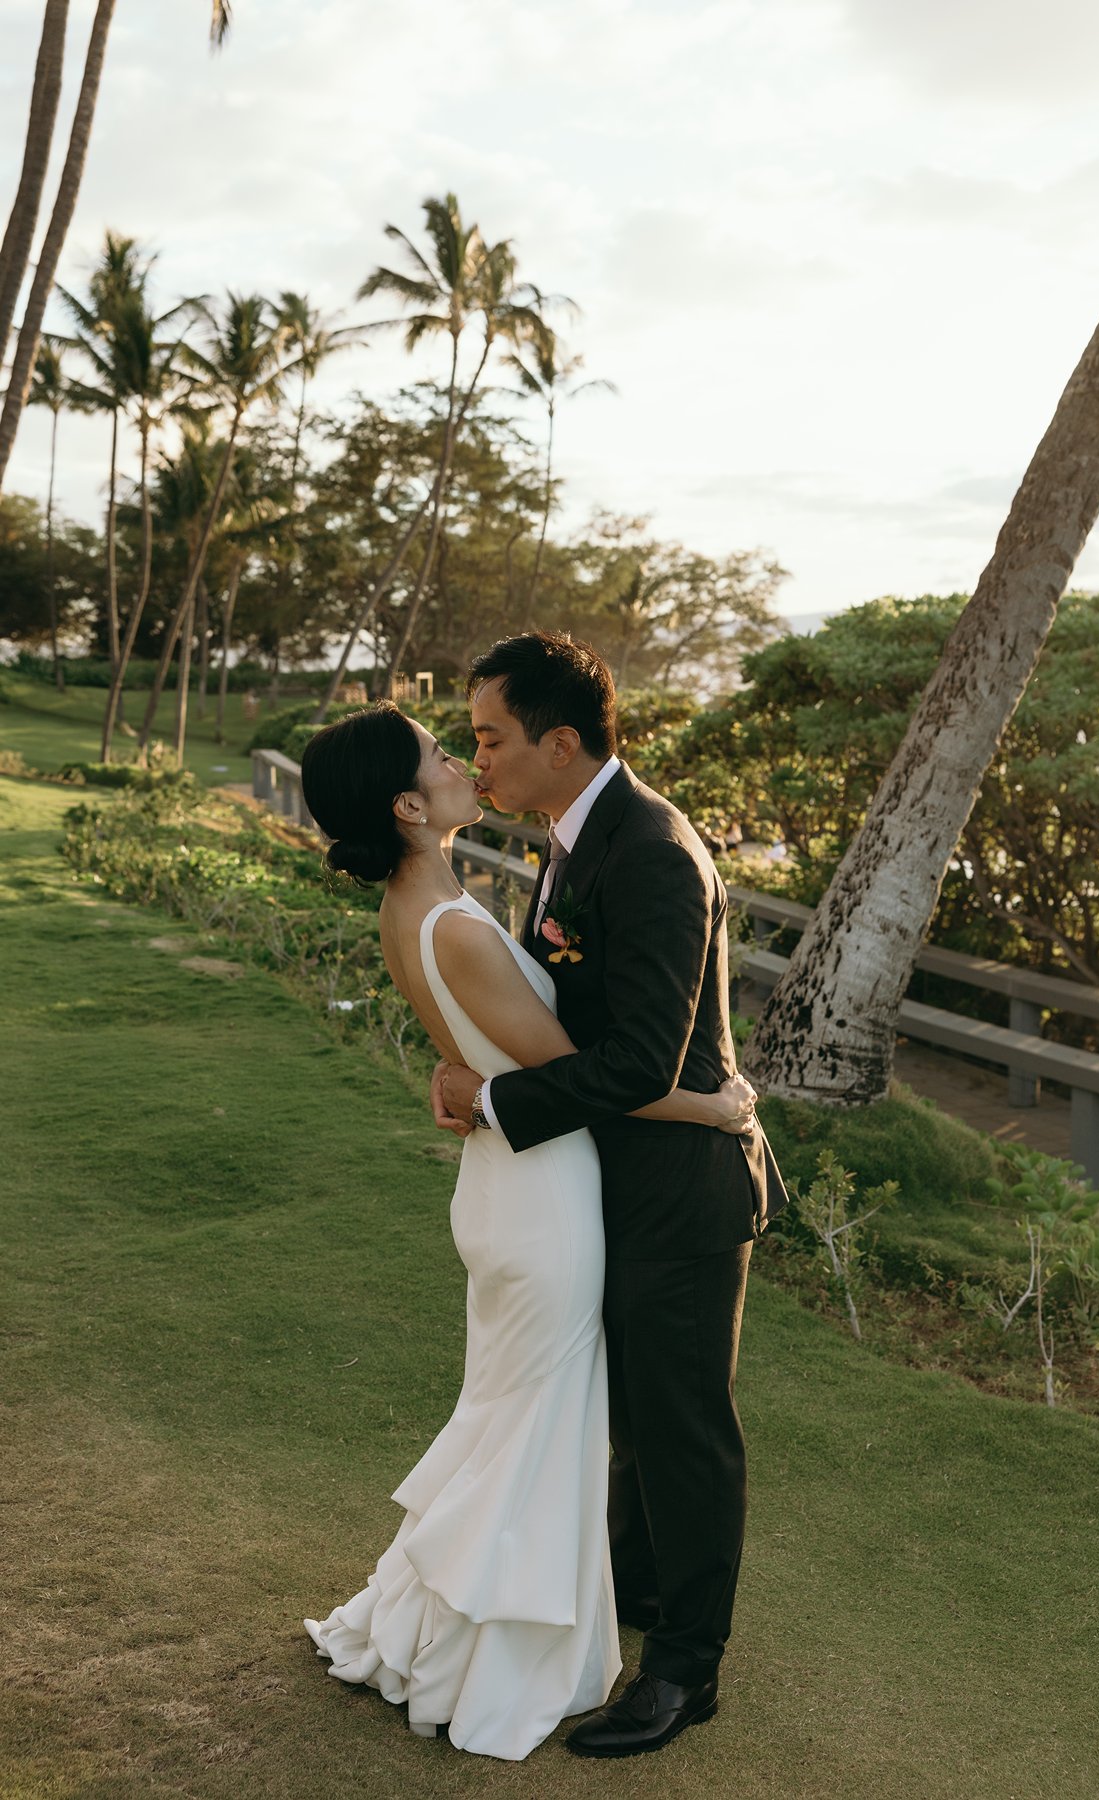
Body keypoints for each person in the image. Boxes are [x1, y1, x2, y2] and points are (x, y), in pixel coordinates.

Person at [297, 702, 757, 1762]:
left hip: (510, 1185)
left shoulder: (420, 907)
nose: (466, 760)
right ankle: (489, 1648)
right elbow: (583, 1075)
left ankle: (473, 1610)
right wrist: (717, 1106)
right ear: (408, 806)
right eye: (442, 754)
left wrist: (470, 1081)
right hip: (543, 1198)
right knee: (533, 1423)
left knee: (514, 1414)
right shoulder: (455, 923)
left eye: (475, 739)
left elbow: (508, 1057)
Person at [435, 632, 788, 1759]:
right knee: (635, 1419)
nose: (476, 756)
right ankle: (637, 1592)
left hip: (681, 1190)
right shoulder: (571, 835)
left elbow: (642, 1058)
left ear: (563, 740)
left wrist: (492, 1101)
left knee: (681, 1431)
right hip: (617, 1174)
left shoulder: (651, 853)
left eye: (490, 738)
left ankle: (686, 1669)